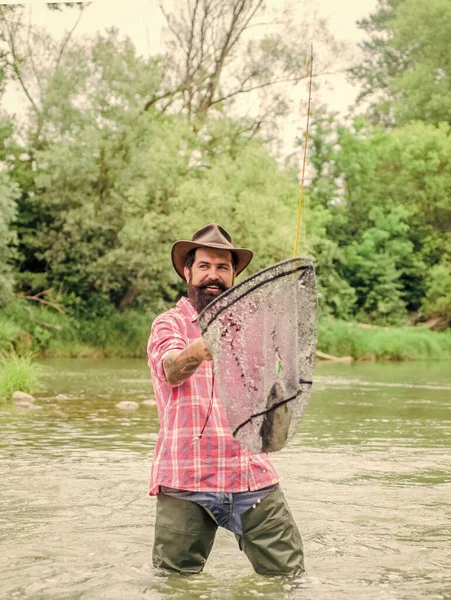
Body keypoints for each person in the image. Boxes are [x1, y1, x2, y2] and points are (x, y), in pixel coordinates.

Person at [147, 223, 304, 576]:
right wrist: (206, 344)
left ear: (233, 275)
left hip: (251, 476)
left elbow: (276, 404)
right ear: (187, 272)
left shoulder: (255, 328)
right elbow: (171, 369)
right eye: (204, 266)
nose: (213, 275)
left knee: (289, 580)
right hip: (184, 478)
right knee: (175, 586)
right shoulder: (168, 324)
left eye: (223, 267)